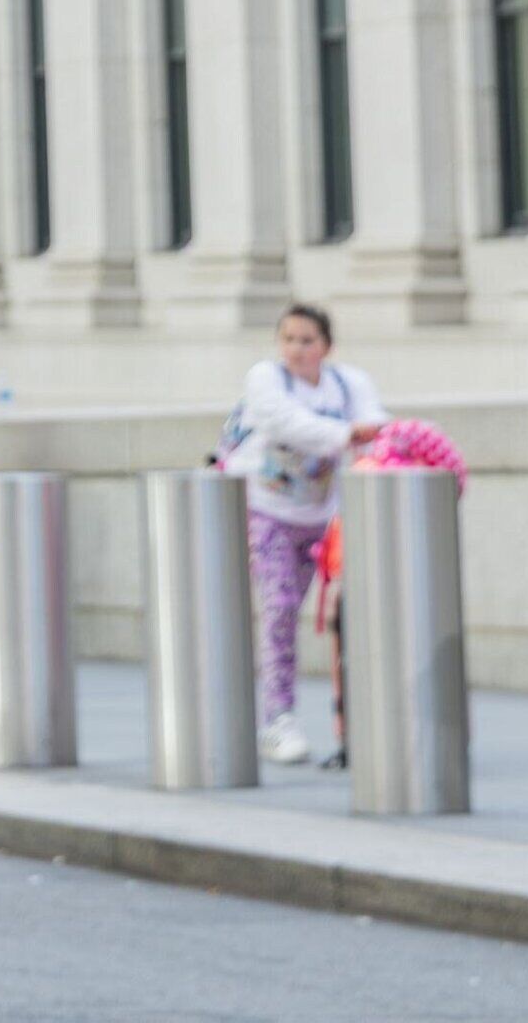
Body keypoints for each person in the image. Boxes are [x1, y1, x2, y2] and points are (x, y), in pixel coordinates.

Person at [226, 303, 384, 766]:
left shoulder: (349, 384)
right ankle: (277, 718)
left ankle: (357, 721)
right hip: (269, 512)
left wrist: (360, 434)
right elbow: (284, 423)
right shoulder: (266, 378)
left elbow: (375, 427)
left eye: (307, 340)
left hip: (326, 518)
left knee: (347, 618)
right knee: (278, 610)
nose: (296, 349)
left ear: (326, 347)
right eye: (288, 339)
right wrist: (346, 434)